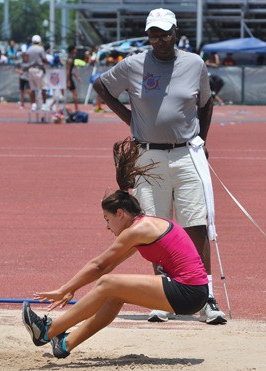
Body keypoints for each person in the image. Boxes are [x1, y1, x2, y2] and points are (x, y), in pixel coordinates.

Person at [93, 8, 227, 325]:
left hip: (186, 153)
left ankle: (205, 297)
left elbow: (205, 103)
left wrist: (202, 141)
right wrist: (131, 120)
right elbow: (101, 86)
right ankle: (162, 297)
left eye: (164, 33)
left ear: (175, 32)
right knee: (154, 227)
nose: (159, 40)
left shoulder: (194, 64)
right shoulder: (133, 64)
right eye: (153, 34)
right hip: (148, 156)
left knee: (196, 224)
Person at [21, 138, 210, 358]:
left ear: (120, 213)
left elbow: (100, 265)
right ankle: (65, 344)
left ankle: (46, 331)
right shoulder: (143, 229)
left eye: (107, 219)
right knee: (114, 293)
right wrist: (72, 287)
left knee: (108, 283)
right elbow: (109, 264)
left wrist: (65, 289)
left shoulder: (140, 229)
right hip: (191, 292)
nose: (107, 226)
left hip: (189, 291)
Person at [26, 35, 50, 111]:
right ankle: (44, 105)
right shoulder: (40, 49)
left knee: (33, 88)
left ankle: (33, 105)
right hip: (39, 70)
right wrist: (49, 63)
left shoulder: (29, 49)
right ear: (39, 41)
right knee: (43, 87)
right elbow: (44, 59)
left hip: (31, 69)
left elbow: (27, 58)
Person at [66, 45, 83, 113]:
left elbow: (71, 71)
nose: (76, 50)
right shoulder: (70, 60)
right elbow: (68, 71)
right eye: (75, 49)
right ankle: (76, 109)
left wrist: (77, 77)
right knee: (75, 94)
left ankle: (50, 106)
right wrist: (68, 81)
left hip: (69, 78)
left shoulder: (72, 58)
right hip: (68, 79)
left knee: (62, 94)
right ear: (72, 50)